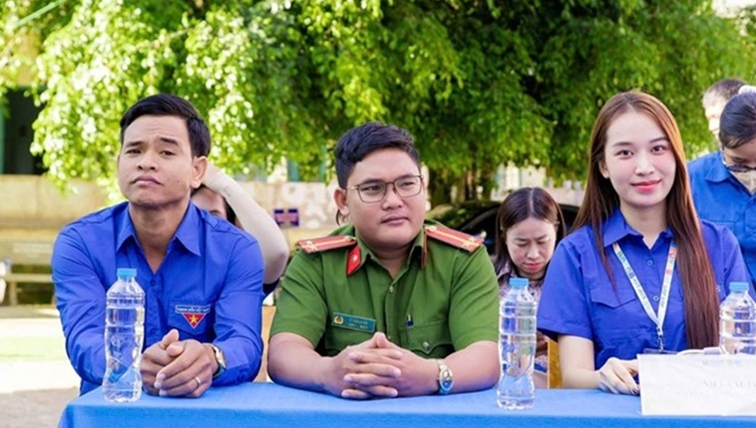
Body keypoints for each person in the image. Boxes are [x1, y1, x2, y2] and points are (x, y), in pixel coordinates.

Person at [538, 91, 756, 395]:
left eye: (658, 148)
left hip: (699, 412)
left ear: (676, 155)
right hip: (615, 412)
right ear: (603, 166)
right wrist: (603, 376)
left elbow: (742, 364)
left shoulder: (719, 245)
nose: (644, 167)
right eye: (625, 153)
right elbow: (574, 376)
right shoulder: (575, 254)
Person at [52, 94, 265, 397]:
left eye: (166, 152)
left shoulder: (236, 250)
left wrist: (210, 358)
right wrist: (131, 366)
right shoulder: (81, 243)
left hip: (202, 412)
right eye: (134, 151)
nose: (146, 162)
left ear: (197, 171)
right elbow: (83, 340)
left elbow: (243, 342)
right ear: (119, 164)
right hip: (115, 411)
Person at [267, 122, 499, 399]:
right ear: (342, 201)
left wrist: (431, 375)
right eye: (373, 189)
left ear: (423, 187)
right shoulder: (316, 264)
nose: (393, 201)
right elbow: (284, 352)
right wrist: (328, 372)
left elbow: (485, 357)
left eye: (407, 184)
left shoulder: (462, 260)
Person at [689, 90, 756, 321]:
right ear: (721, 146)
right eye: (738, 163)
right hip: (711, 302)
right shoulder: (692, 180)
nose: (751, 172)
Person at [494, 187, 566, 388]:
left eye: (542, 242)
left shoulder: (573, 280)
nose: (533, 254)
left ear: (556, 231)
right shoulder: (487, 284)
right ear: (504, 237)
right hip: (505, 386)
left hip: (560, 388)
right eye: (521, 243)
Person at [191, 161, 289, 294]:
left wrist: (219, 180)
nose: (206, 223)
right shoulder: (168, 267)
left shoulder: (239, 269)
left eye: (214, 216)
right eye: (195, 215)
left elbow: (276, 253)